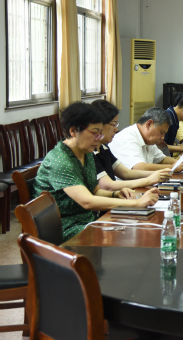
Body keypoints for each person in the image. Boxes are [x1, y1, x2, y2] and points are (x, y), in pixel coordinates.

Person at [33, 102, 159, 241]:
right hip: (64, 226)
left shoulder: (86, 153)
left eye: (100, 133)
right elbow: (87, 201)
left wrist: (116, 194)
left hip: (87, 220)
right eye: (94, 133)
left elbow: (95, 191)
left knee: (135, 228)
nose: (99, 138)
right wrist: (136, 203)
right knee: (125, 234)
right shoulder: (60, 161)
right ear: (73, 131)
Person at [91, 100, 171, 191]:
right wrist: (148, 180)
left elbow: (126, 173)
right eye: (113, 125)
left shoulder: (104, 148)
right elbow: (107, 186)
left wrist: (158, 173)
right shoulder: (90, 153)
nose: (116, 129)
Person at [110, 108, 183, 172]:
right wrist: (172, 168)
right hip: (126, 189)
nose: (162, 138)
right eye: (161, 132)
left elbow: (161, 159)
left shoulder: (147, 139)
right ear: (149, 124)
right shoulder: (128, 138)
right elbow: (139, 167)